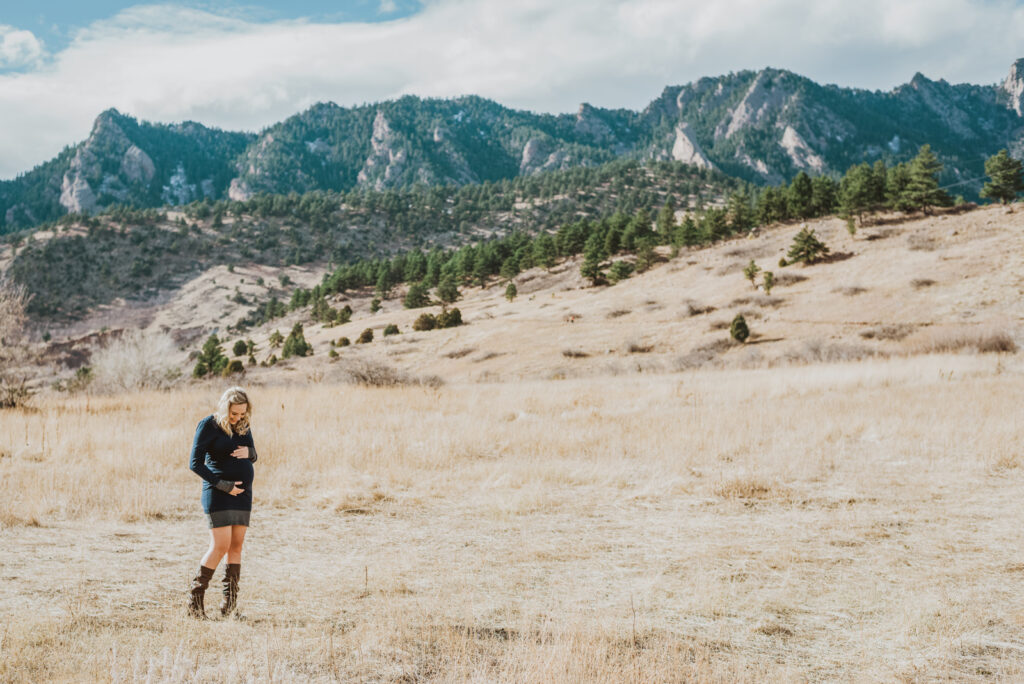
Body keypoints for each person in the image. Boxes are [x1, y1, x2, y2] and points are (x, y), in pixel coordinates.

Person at [187, 386, 258, 619]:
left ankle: (229, 607)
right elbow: (195, 463)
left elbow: (254, 454)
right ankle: (194, 603)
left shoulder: (243, 425)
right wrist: (224, 485)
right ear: (224, 407)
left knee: (236, 546)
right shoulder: (208, 425)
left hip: (243, 495)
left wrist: (250, 453)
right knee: (220, 546)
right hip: (218, 492)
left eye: (242, 413)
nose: (238, 417)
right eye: (234, 413)